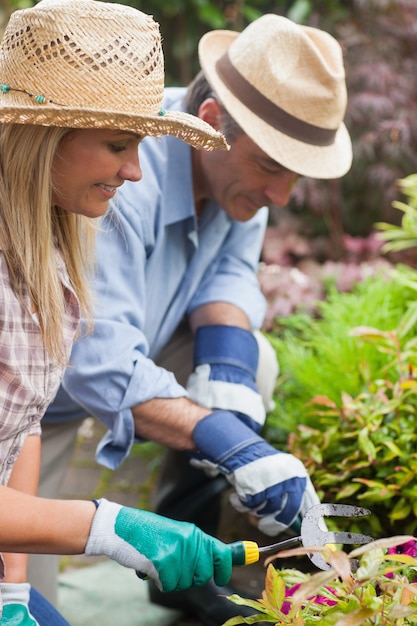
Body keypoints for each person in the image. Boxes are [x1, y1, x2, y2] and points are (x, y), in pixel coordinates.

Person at [31, 12, 353, 626]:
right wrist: (230, 444)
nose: (281, 196)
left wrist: (226, 371)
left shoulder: (239, 172)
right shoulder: (116, 177)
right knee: (27, 600)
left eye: (294, 173)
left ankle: (184, 559)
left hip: (125, 354)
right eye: (270, 168)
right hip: (32, 404)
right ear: (210, 126)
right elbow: (93, 362)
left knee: (253, 359)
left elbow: (229, 274)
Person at [0, 0, 235, 624]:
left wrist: (13, 592)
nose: (134, 171)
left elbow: (19, 422)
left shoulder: (48, 243)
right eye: (115, 145)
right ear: (42, 136)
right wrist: (108, 525)